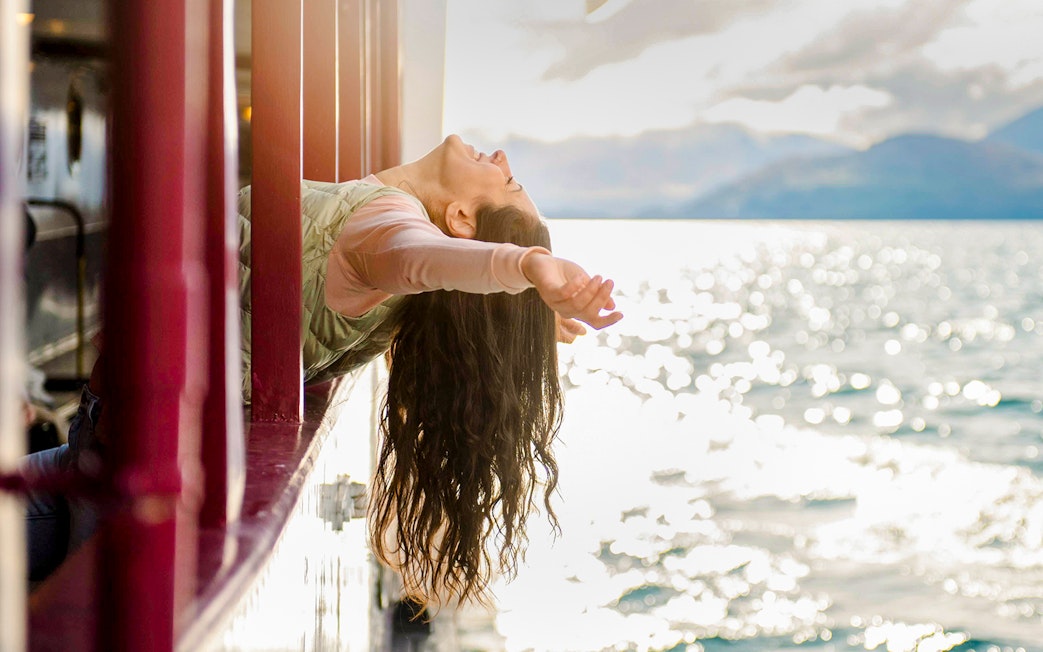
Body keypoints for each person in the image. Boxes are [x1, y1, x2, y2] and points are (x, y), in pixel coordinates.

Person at [24, 135, 623, 606]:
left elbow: (419, 258)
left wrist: (528, 267)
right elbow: (439, 271)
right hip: (111, 441)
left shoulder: (386, 226)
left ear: (463, 218)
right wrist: (528, 302)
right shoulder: (390, 236)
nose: (500, 156)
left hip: (136, 452)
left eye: (507, 179)